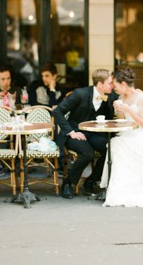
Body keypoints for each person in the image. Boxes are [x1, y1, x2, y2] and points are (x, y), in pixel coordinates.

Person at [100, 67, 143, 207]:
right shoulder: (121, 97)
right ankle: (117, 190)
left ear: (123, 84)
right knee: (115, 143)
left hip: (142, 134)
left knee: (119, 144)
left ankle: (132, 189)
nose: (114, 88)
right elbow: (123, 120)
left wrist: (128, 109)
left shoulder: (141, 98)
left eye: (116, 85)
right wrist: (119, 110)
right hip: (128, 132)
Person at [52, 68, 117, 199]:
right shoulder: (79, 94)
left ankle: (91, 180)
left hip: (94, 134)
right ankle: (67, 183)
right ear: (99, 84)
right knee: (88, 154)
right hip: (75, 133)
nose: (113, 85)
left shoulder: (111, 96)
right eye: (110, 82)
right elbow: (57, 112)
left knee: (111, 150)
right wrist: (71, 132)